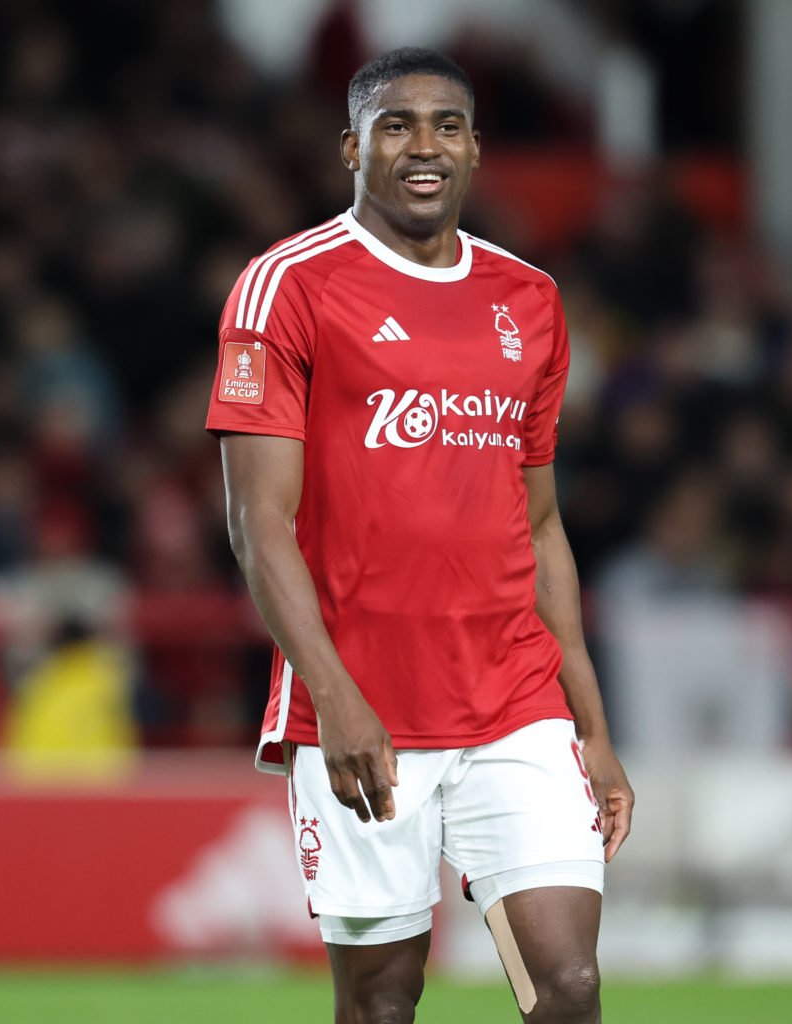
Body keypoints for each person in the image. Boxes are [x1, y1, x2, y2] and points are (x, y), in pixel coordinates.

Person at [204, 48, 633, 1023]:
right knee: (385, 1000)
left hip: (515, 703)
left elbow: (542, 523)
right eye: (397, 125)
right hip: (362, 705)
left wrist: (592, 727)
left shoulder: (529, 298)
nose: (424, 145)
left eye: (446, 125)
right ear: (354, 146)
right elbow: (255, 521)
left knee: (563, 987)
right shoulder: (287, 287)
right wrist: (336, 696)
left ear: (476, 149)